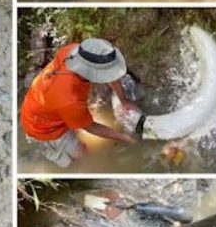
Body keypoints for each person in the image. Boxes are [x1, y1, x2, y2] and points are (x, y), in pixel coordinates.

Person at [20, 38, 137, 168]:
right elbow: (91, 127)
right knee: (80, 158)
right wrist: (121, 137)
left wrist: (124, 101)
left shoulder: (75, 51)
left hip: (48, 106)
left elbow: (110, 75)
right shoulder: (69, 100)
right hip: (42, 128)